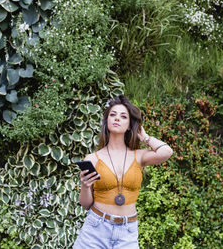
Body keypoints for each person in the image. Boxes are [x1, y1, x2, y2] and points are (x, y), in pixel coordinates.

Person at [73, 95, 173, 249]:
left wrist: (144, 137)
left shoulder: (139, 156)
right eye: (112, 115)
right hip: (96, 229)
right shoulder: (93, 158)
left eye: (123, 116)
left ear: (129, 125)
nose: (117, 118)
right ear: (106, 122)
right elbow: (86, 204)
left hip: (127, 231)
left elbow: (166, 152)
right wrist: (85, 186)